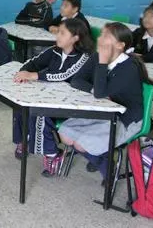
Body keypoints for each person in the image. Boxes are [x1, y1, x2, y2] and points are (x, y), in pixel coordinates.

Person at [58, 22, 146, 180]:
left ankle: (107, 168)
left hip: (124, 119)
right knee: (64, 133)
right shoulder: (98, 56)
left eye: (106, 36)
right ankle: (103, 159)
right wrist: (94, 88)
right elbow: (77, 80)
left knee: (80, 144)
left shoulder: (129, 67)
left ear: (120, 45)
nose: (100, 38)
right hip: (100, 111)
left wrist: (102, 63)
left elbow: (100, 93)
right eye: (101, 34)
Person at [12, 18, 94, 175]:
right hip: (53, 97)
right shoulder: (55, 50)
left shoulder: (84, 57)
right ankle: (24, 139)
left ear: (75, 38)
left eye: (63, 33)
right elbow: (34, 62)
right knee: (20, 102)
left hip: (74, 104)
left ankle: (52, 153)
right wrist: (23, 72)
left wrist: (34, 75)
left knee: (39, 112)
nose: (58, 35)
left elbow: (64, 75)